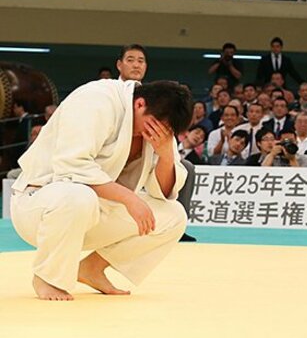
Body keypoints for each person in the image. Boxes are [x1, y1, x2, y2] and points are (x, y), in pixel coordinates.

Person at [11, 79, 192, 301]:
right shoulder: (96, 100)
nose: (155, 133)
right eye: (154, 126)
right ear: (140, 104)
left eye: (167, 132)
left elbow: (163, 192)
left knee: (173, 217)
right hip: (40, 204)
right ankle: (47, 277)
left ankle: (91, 269)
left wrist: (166, 153)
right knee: (79, 196)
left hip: (93, 212)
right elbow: (71, 167)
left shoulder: (159, 126)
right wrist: (128, 198)